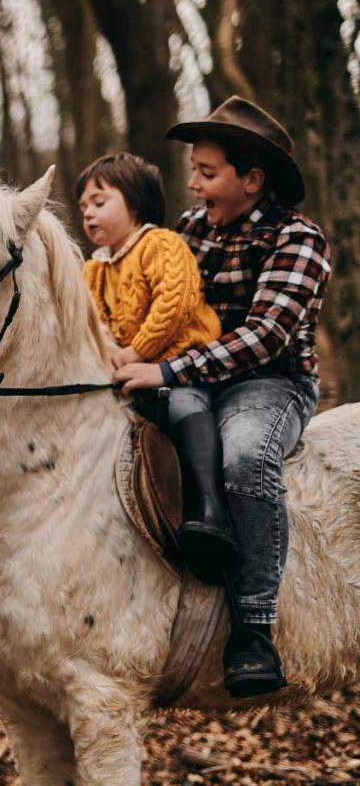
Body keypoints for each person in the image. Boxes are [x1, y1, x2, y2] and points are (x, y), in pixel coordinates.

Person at [114, 97, 331, 697]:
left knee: (242, 454)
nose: (193, 183)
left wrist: (169, 371)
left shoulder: (298, 239)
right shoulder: (185, 232)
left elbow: (264, 338)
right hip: (190, 375)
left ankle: (253, 630)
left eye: (208, 173)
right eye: (194, 170)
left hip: (270, 381)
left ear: (252, 180)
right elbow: (157, 301)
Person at [75, 153, 231, 580]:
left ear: (136, 205)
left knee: (184, 407)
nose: (88, 212)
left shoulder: (160, 245)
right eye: (84, 205)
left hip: (182, 364)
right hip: (130, 372)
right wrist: (108, 353)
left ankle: (209, 510)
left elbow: (175, 302)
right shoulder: (93, 269)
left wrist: (137, 351)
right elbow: (94, 322)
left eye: (100, 201)